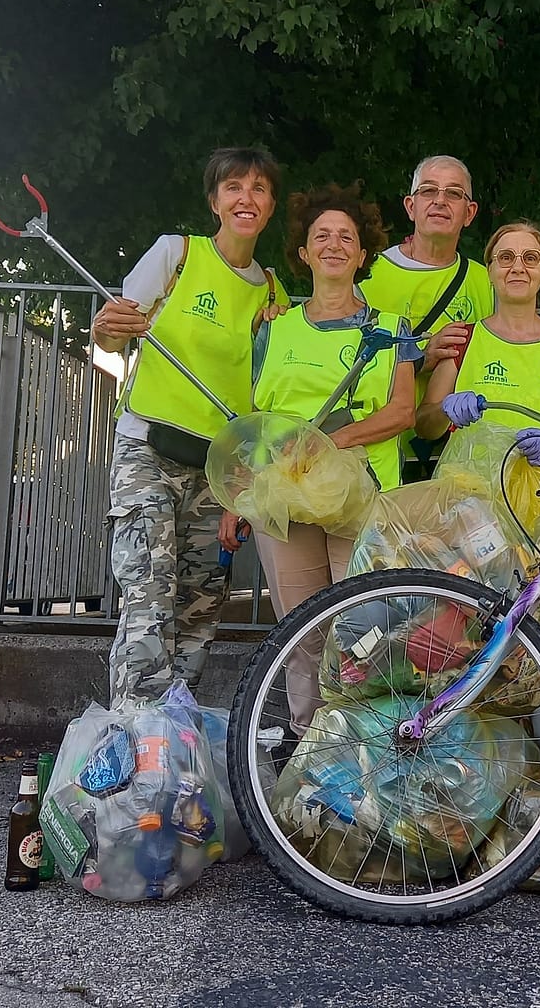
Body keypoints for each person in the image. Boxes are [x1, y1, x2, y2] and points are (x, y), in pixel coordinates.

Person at [92, 147, 288, 704]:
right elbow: (112, 334)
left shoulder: (272, 294)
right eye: (233, 187)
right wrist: (107, 329)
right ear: (215, 201)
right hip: (147, 450)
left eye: (258, 189)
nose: (245, 198)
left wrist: (242, 491)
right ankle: (134, 737)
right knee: (148, 598)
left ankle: (175, 739)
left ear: (271, 206)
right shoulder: (177, 254)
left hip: (215, 469)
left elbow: (264, 402)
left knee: (200, 610)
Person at [251, 183, 419, 732]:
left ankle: (365, 749)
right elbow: (254, 419)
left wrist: (335, 441)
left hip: (363, 495)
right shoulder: (272, 330)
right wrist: (239, 499)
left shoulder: (392, 329)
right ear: (303, 252)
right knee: (301, 633)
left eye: (346, 236)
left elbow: (401, 413)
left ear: (363, 253)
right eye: (321, 235)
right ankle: (308, 757)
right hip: (285, 497)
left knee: (364, 629)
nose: (333, 244)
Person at [359, 155, 494, 480]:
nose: (439, 201)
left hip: (457, 460)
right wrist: (420, 357)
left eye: (453, 193)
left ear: (469, 212)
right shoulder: (367, 275)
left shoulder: (487, 282)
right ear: (410, 206)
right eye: (428, 191)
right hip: (375, 454)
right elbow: (341, 363)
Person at [416, 221, 540, 458]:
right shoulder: (462, 342)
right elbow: (424, 427)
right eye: (506, 258)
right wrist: (444, 411)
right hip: (468, 490)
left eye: (530, 258)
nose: (518, 267)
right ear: (489, 271)